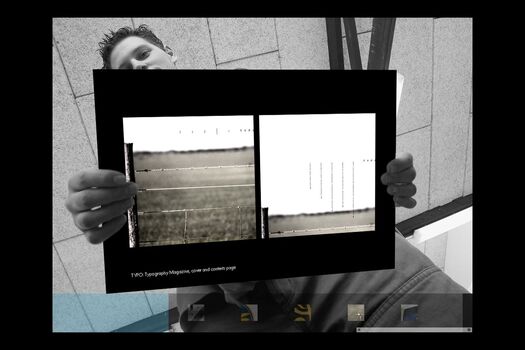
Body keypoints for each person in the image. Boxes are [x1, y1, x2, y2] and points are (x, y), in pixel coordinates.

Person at [64, 25, 469, 332]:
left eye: (142, 52)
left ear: (168, 53)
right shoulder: (137, 182)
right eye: (124, 68)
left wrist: (386, 182)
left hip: (393, 294)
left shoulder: (284, 109)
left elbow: (353, 186)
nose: (136, 65)